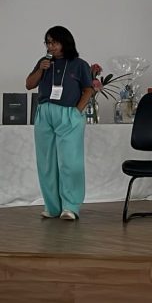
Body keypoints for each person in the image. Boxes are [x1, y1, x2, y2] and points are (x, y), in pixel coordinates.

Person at [25, 26, 92, 220]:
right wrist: (41, 68)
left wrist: (76, 111)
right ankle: (52, 207)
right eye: (48, 42)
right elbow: (29, 84)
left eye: (54, 42)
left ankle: (70, 206)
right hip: (44, 112)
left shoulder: (79, 64)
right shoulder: (44, 62)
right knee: (46, 162)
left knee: (70, 162)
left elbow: (88, 89)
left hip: (68, 113)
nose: (50, 46)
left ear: (65, 42)